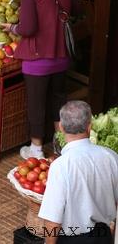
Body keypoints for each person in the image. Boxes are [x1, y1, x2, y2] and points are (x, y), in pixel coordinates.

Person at [2, 0, 72, 159]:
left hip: (38, 60)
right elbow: (72, 10)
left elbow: (28, 28)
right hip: (61, 56)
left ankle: (36, 149)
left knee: (37, 104)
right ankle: (61, 147)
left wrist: (12, 27)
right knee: (58, 101)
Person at [39, 100, 118, 243]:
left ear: (61, 128)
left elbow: (52, 219)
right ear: (90, 127)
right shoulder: (111, 157)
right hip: (104, 236)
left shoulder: (61, 166)